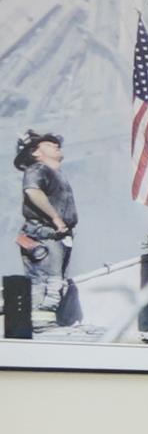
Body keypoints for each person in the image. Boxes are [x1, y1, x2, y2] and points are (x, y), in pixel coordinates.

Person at [12, 129, 79, 330]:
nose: (55, 145)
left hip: (58, 237)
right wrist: (56, 218)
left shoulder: (55, 173)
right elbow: (33, 192)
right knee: (46, 282)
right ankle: (41, 326)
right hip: (44, 234)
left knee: (56, 282)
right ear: (35, 152)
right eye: (48, 144)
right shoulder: (37, 169)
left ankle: (48, 322)